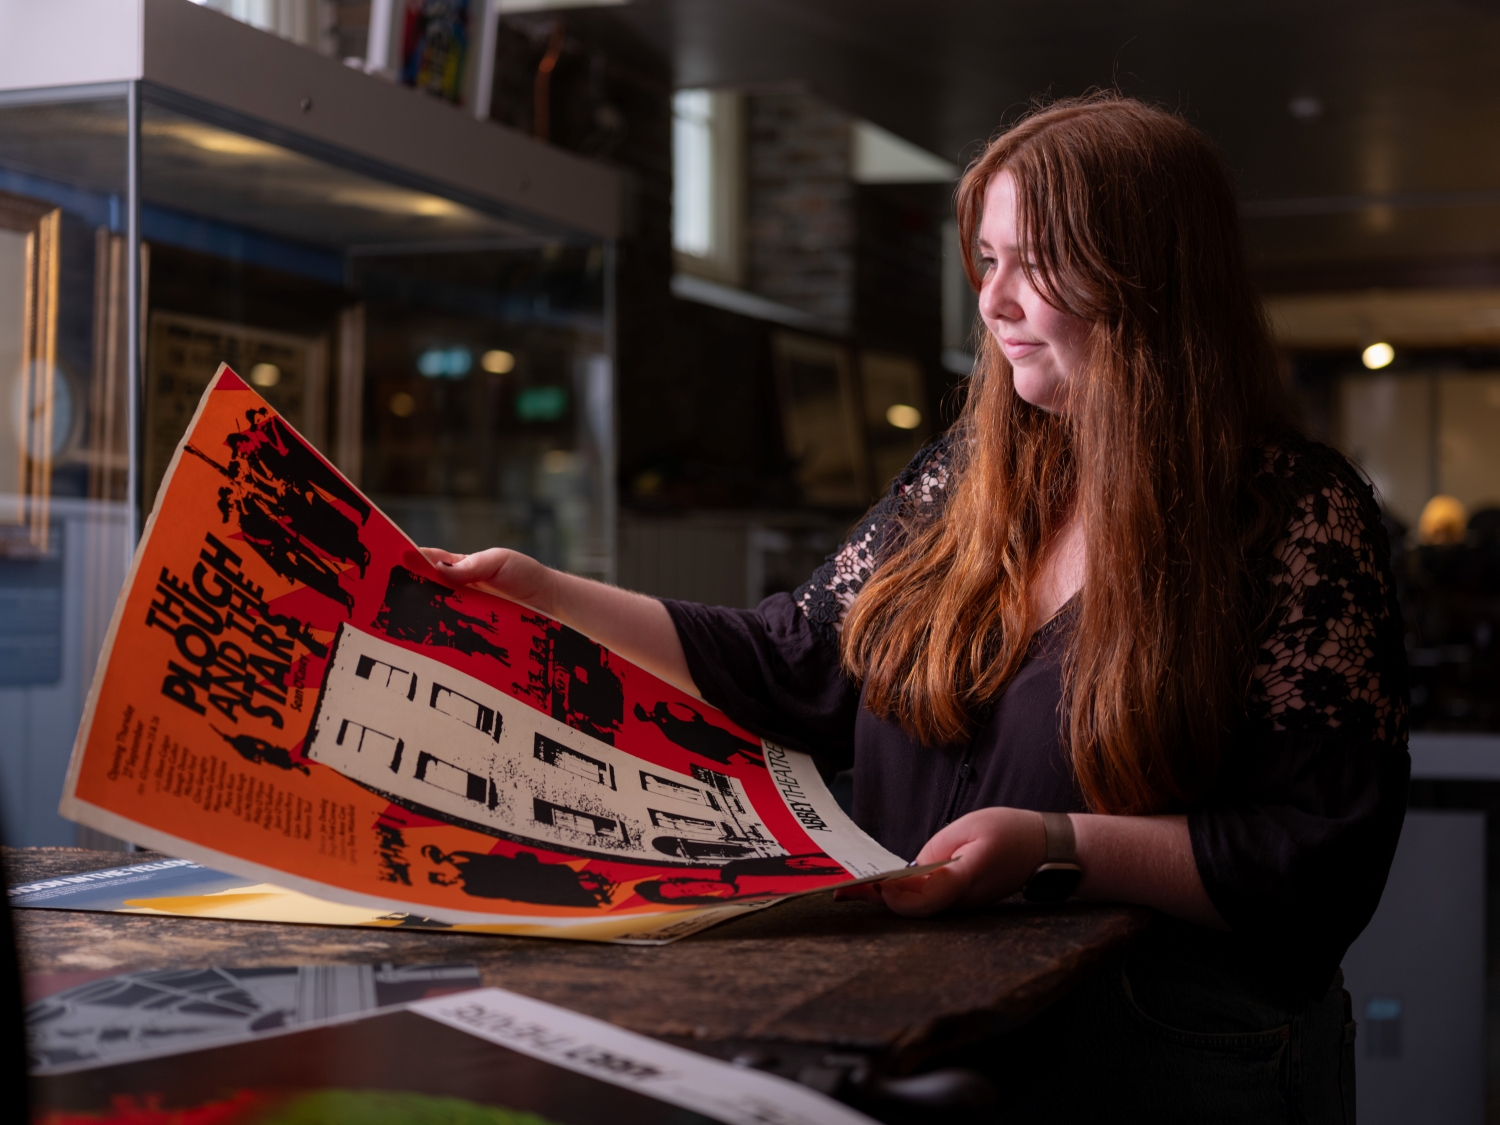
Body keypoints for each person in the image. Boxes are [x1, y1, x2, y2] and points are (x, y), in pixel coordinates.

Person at [424, 94, 1408, 1121]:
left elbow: (1320, 853)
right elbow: (789, 662)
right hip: (933, 1035)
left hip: (1169, 1065)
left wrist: (1055, 843)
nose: (996, 301)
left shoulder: (1294, 511)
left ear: (1152, 278)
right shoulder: (966, 478)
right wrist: (538, 592)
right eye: (987, 260)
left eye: (1039, 262)